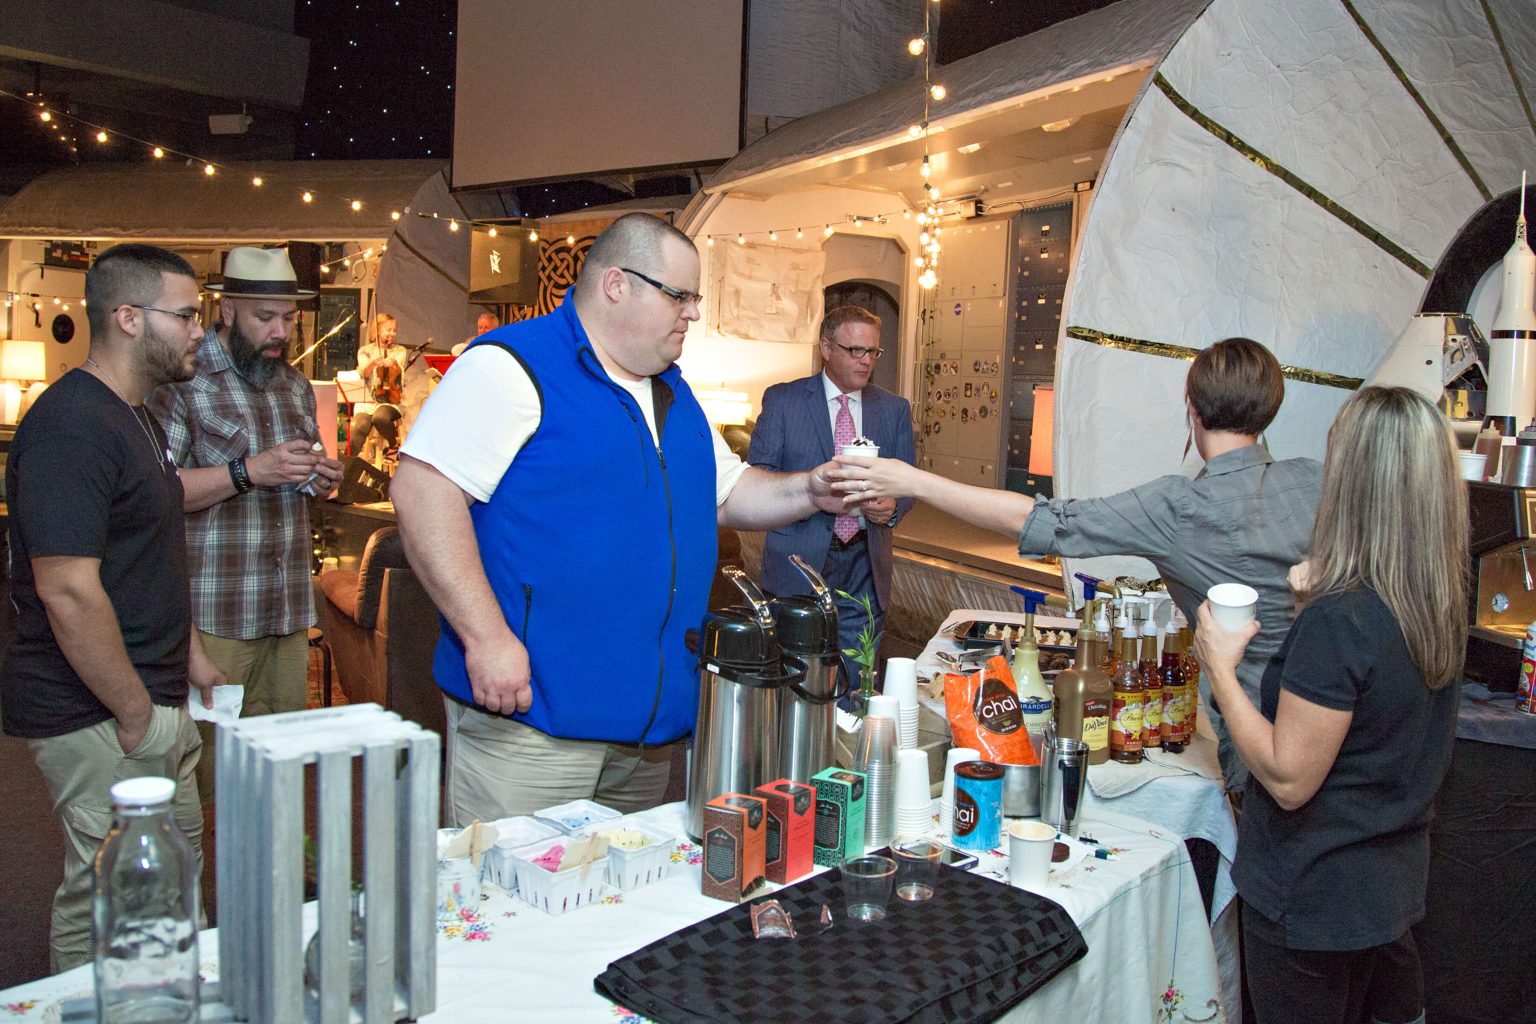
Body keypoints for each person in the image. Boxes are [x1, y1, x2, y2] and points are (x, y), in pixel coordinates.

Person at [392, 212, 845, 824]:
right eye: (680, 296)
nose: (692, 314)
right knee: (518, 885)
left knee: (626, 886)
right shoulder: (511, 366)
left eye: (695, 299)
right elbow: (423, 493)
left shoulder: (673, 391)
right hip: (533, 724)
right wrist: (486, 638)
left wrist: (813, 489)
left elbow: (728, 493)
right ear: (616, 284)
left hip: (647, 738)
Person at [831, 337, 1321, 790]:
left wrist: (913, 481)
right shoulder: (1316, 481)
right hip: (1330, 717)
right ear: (1270, 408)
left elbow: (1041, 521)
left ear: (1191, 406)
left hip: (1261, 734)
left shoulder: (1180, 507)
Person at [1193, 387, 1465, 1024]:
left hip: (1312, 903)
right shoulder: (1437, 603)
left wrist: (1220, 669)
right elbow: (1369, 719)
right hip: (1388, 895)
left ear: (1353, 483)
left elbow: (1289, 778)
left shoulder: (1343, 618)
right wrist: (1310, 608)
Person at [2, 243, 224, 971]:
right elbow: (67, 590)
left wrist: (189, 653)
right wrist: (134, 713)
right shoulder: (72, 425)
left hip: (150, 696)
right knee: (105, 898)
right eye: (185, 315)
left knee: (172, 884)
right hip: (95, 708)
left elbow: (147, 552)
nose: (199, 330)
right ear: (129, 318)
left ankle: (173, 1005)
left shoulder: (136, 416)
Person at [147, 247, 344, 796]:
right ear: (228, 310)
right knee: (210, 773)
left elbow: (303, 474)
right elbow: (160, 493)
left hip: (286, 609)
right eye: (265, 317)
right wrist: (249, 471)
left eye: (289, 318)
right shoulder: (182, 382)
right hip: (215, 613)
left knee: (279, 772)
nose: (280, 332)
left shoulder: (295, 386)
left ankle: (271, 856)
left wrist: (323, 477)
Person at [748, 305, 915, 694]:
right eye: (855, 350)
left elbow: (908, 483)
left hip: (865, 562)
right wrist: (809, 493)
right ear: (826, 347)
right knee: (795, 685)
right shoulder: (784, 401)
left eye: (873, 352)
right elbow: (759, 477)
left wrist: (892, 508)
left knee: (855, 685)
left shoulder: (893, 410)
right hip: (798, 561)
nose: (866, 360)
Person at [357, 312, 407, 404]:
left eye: (394, 331)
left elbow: (400, 369)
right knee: (362, 414)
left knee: (385, 413)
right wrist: (372, 364)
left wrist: (394, 363)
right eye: (388, 330)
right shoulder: (365, 351)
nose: (392, 333)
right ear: (377, 330)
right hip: (368, 400)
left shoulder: (400, 350)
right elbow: (363, 374)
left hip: (393, 398)